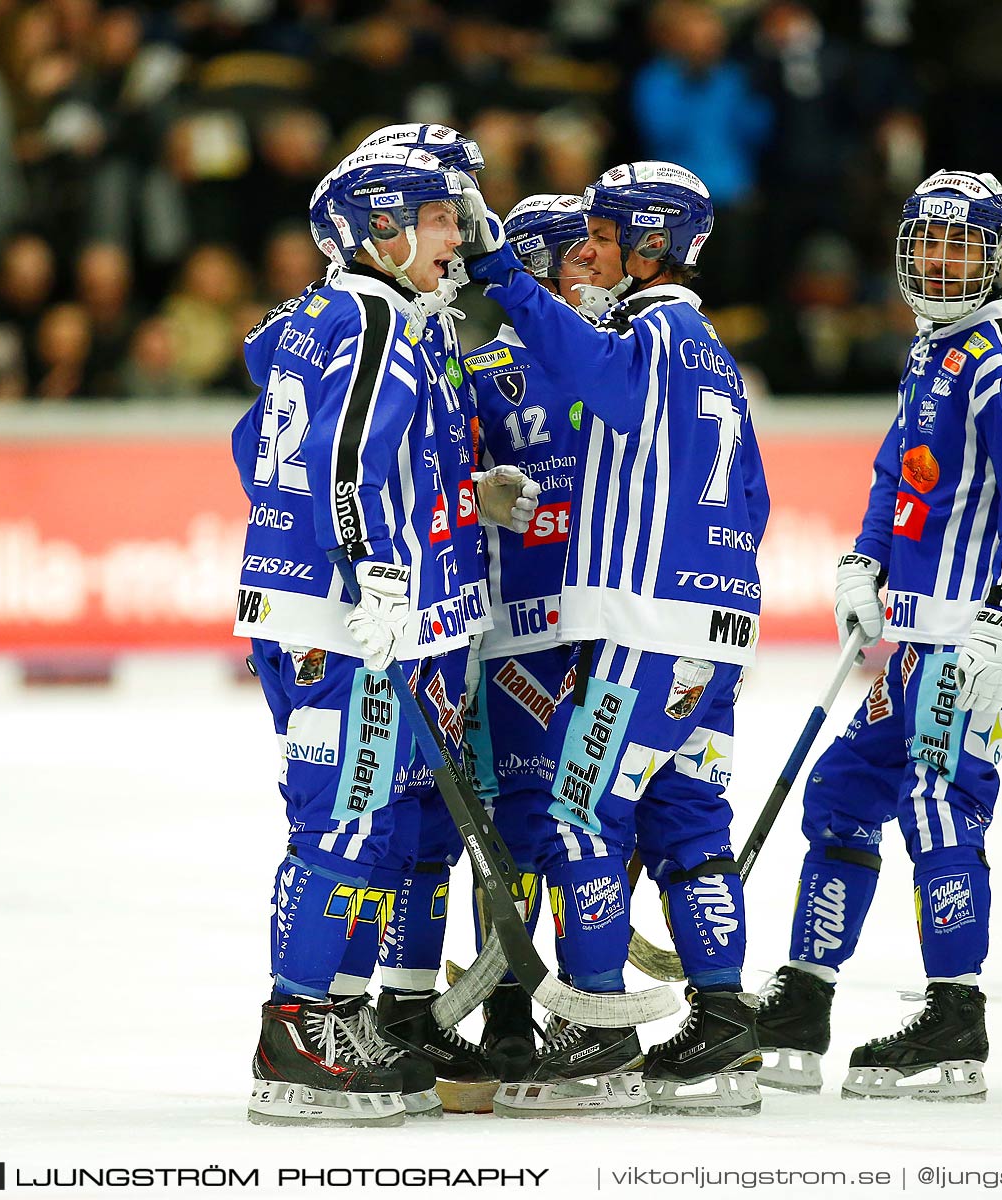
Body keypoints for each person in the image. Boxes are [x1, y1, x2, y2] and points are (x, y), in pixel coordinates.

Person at [233, 145, 535, 1126]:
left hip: (345, 618)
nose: (457, 236)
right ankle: (295, 1028)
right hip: (350, 624)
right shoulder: (368, 316)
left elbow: (295, 448)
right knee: (345, 824)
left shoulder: (350, 316)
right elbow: (346, 460)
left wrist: (458, 498)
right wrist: (374, 573)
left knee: (376, 827)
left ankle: (338, 1010)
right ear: (382, 228)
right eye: (441, 218)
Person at [463, 161, 769, 1116]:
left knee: (580, 814)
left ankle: (595, 1032)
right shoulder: (709, 345)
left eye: (598, 238)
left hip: (645, 624)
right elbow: (753, 497)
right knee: (686, 822)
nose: (581, 256)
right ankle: (724, 1029)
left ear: (649, 246)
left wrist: (500, 277)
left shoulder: (654, 331)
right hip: (713, 630)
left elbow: (605, 384)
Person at [752, 171, 1002, 1102]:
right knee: (845, 791)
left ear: (993, 256)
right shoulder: (932, 351)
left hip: (974, 637)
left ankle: (955, 1017)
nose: (938, 260)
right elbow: (900, 478)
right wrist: (863, 562)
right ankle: (805, 995)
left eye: (960, 247)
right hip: (918, 631)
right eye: (927, 242)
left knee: (939, 805)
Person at [458, 194, 597, 1082]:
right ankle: (510, 1009)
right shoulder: (483, 374)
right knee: (524, 825)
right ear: (541, 268)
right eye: (583, 257)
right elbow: (432, 487)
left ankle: (584, 1005)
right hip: (520, 642)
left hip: (608, 633)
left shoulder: (627, 358)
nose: (600, 270)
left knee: (589, 823)